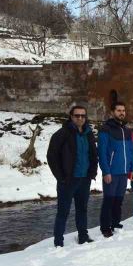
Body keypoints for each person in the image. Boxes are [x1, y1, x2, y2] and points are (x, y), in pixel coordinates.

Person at [46, 105, 98, 247]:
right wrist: (61, 177)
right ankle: (58, 242)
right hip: (68, 180)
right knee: (63, 212)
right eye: (77, 115)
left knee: (82, 209)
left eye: (83, 115)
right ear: (71, 116)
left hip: (84, 179)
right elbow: (52, 156)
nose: (80, 118)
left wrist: (92, 172)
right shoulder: (62, 134)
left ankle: (83, 236)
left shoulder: (89, 133)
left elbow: (93, 154)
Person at [98, 102, 133, 238]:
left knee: (118, 200)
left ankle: (115, 222)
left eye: (123, 110)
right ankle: (105, 227)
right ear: (113, 112)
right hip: (112, 172)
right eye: (119, 110)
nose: (122, 113)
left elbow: (131, 151)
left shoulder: (127, 130)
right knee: (108, 200)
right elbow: (102, 152)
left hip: (124, 172)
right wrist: (106, 171)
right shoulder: (106, 129)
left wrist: (132, 169)